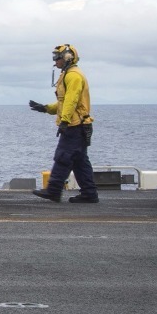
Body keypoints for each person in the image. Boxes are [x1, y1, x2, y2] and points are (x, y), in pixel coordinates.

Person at [29, 43, 98, 203]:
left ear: (67, 58)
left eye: (57, 58)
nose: (55, 61)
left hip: (75, 125)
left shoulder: (73, 76)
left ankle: (53, 191)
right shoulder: (69, 74)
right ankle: (89, 193)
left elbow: (71, 101)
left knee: (63, 157)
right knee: (80, 161)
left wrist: (65, 121)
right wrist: (45, 108)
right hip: (80, 125)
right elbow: (63, 102)